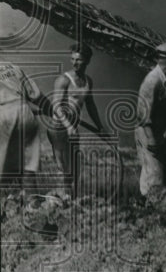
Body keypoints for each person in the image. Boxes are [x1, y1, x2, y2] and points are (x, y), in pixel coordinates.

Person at [48, 43, 105, 197]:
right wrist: (68, 126)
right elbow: (56, 107)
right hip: (59, 127)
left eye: (78, 60)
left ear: (87, 61)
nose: (74, 63)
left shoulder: (88, 81)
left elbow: (91, 105)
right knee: (64, 168)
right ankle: (63, 202)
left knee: (75, 169)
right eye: (72, 59)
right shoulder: (63, 80)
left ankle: (70, 200)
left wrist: (100, 127)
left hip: (72, 127)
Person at [135, 41, 166, 197]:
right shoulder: (152, 81)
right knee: (154, 173)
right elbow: (143, 115)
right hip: (149, 132)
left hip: (163, 132)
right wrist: (151, 139)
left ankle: (159, 197)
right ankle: (150, 204)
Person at [0, 59, 50, 197]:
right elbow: (37, 96)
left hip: (3, 115)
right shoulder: (13, 67)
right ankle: (32, 203)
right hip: (24, 112)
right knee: (28, 166)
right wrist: (54, 112)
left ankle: (9, 207)